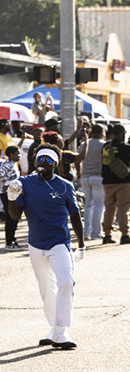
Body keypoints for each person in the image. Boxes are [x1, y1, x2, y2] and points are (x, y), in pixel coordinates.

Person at [7, 146, 86, 349]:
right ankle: (54, 328)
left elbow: (75, 216)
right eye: (39, 159)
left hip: (59, 242)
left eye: (48, 159)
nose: (43, 162)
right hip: (35, 245)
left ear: (55, 163)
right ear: (35, 162)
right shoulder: (24, 183)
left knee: (66, 282)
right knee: (47, 288)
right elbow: (15, 216)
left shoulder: (65, 186)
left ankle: (61, 331)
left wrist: (82, 244)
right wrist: (12, 197)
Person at [100, 125, 130, 245]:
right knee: (123, 208)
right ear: (122, 133)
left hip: (107, 181)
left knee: (109, 208)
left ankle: (107, 234)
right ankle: (124, 234)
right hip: (123, 181)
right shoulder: (124, 147)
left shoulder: (106, 146)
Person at [77, 123, 107, 241]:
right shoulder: (103, 145)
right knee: (98, 205)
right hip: (99, 177)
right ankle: (96, 232)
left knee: (88, 205)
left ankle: (85, 233)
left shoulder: (84, 144)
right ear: (101, 133)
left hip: (85, 177)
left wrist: (79, 176)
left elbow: (78, 160)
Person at [2, 145, 22, 249]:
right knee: (10, 217)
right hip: (7, 194)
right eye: (17, 153)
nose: (19, 155)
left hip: (14, 193)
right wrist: (6, 183)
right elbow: (0, 174)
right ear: (11, 154)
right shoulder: (7, 165)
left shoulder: (13, 164)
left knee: (15, 217)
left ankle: (13, 240)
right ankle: (9, 243)